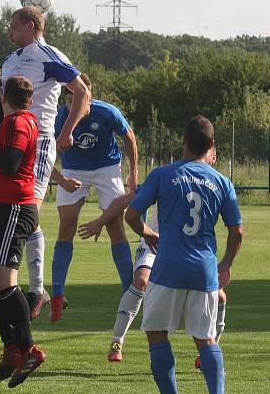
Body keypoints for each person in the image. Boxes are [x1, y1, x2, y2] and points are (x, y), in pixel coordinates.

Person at [123, 116, 243, 394]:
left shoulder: (163, 174)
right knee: (206, 339)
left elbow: (132, 214)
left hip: (168, 269)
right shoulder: (222, 182)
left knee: (155, 333)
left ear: (184, 142)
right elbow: (237, 231)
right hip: (204, 271)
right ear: (212, 146)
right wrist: (226, 265)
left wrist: (149, 234)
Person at [0, 6, 91, 319]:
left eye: (14, 26)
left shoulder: (48, 54)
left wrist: (67, 131)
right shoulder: (11, 59)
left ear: (30, 25)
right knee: (20, 214)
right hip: (11, 139)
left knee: (26, 212)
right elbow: (2, 104)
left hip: (37, 141)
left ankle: (29, 290)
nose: (10, 32)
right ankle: (14, 289)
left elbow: (82, 90)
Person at [79, 148, 227, 365]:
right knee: (141, 281)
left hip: (189, 251)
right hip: (155, 243)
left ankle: (209, 349)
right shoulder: (171, 176)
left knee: (221, 297)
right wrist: (100, 222)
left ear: (214, 157)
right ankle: (117, 340)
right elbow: (125, 201)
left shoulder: (215, 183)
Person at [48, 73, 138, 322]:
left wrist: (133, 173)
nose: (72, 104)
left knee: (114, 225)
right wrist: (61, 179)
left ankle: (129, 292)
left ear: (89, 97)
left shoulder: (107, 112)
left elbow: (129, 136)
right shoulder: (59, 118)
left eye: (77, 98)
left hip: (106, 166)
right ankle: (57, 295)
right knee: (66, 225)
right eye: (68, 99)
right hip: (74, 168)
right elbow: (42, 157)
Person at [0, 75, 44, 388]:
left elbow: (10, 163)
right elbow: (2, 111)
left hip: (14, 208)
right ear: (29, 100)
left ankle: (29, 349)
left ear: (8, 97)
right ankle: (11, 349)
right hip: (3, 207)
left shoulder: (19, 123)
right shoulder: (14, 117)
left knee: (4, 282)